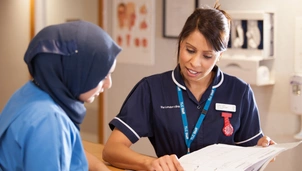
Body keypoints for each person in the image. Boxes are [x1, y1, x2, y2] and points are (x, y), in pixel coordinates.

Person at [102, 1, 276, 171]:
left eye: (207, 56)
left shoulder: (240, 92)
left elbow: (249, 158)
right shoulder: (151, 89)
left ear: (220, 55)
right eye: (190, 50)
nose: (195, 63)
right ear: (180, 42)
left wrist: (260, 149)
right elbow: (112, 150)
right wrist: (150, 163)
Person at [0, 21, 121, 171]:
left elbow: (69, 150)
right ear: (77, 72)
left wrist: (99, 167)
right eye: (103, 76)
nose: (108, 84)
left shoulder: (31, 92)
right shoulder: (49, 119)